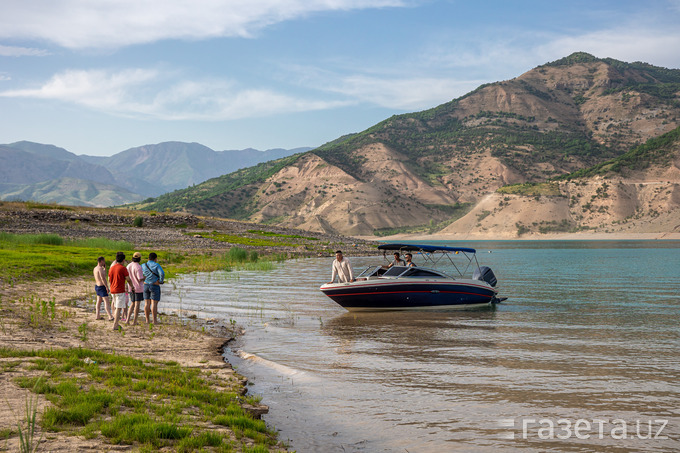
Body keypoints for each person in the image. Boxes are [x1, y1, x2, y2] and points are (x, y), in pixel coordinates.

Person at [108, 251, 134, 331]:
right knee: (119, 308)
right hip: (119, 290)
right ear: (123, 260)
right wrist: (132, 286)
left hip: (113, 290)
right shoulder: (123, 268)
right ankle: (115, 325)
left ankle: (116, 323)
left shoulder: (111, 268)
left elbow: (109, 279)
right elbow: (128, 279)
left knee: (116, 307)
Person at [142, 252, 165, 325]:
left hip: (145, 285)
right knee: (154, 303)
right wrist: (160, 281)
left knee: (146, 303)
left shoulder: (143, 265)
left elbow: (140, 273)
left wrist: (143, 279)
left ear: (148, 258)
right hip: (154, 285)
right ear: (155, 259)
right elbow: (162, 273)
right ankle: (154, 320)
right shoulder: (156, 265)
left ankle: (147, 320)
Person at [126, 252, 145, 325]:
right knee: (137, 304)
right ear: (139, 259)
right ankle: (134, 321)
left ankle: (127, 320)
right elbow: (140, 278)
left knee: (132, 303)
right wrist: (144, 277)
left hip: (131, 287)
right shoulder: (138, 267)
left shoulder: (129, 265)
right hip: (138, 287)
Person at [93, 256, 112, 321]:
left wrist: (105, 268)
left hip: (97, 286)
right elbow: (103, 278)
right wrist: (106, 287)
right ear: (101, 261)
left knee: (99, 301)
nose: (104, 262)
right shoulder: (100, 268)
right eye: (104, 261)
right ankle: (110, 316)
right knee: (106, 301)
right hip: (101, 286)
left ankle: (97, 315)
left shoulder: (95, 268)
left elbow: (104, 274)